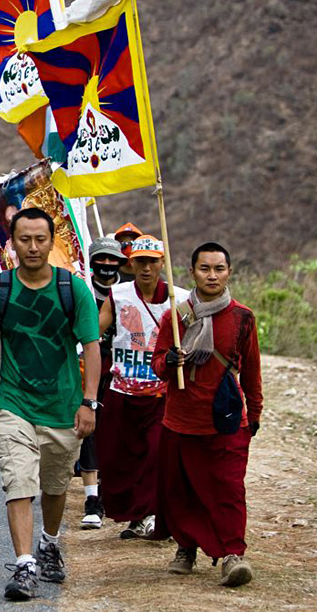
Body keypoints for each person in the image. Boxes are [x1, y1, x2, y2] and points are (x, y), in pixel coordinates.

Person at [0, 207, 101, 601]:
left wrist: (89, 402)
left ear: (53, 242)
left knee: (54, 487)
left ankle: (49, 544)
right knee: (18, 481)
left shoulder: (74, 289)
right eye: (25, 239)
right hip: (13, 402)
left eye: (40, 239)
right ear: (12, 243)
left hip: (63, 405)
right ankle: (24, 564)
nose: (33, 247)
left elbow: (91, 346)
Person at [151, 242, 262, 587]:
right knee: (183, 489)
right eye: (204, 269)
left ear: (229, 272)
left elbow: (252, 371)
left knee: (228, 489)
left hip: (227, 420)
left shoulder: (243, 318)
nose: (211, 275)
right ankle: (186, 547)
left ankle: (233, 556)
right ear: (192, 273)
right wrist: (169, 362)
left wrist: (254, 412)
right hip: (182, 419)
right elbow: (158, 364)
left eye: (218, 269)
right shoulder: (176, 315)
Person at [96, 235, 189, 540]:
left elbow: (195, 336)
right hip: (122, 390)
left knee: (155, 455)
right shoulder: (118, 295)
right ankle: (137, 517)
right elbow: (95, 328)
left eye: (152, 262)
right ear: (131, 263)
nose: (146, 268)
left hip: (162, 393)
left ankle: (154, 515)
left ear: (162, 263)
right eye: (140, 262)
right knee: (119, 458)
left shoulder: (180, 298)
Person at [75, 236, 129, 530]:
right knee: (90, 429)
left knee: (120, 430)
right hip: (89, 369)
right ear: (91, 262)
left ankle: (118, 492)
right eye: (101, 260)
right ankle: (92, 500)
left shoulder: (129, 292)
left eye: (113, 260)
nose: (107, 265)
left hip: (125, 372)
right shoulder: (80, 291)